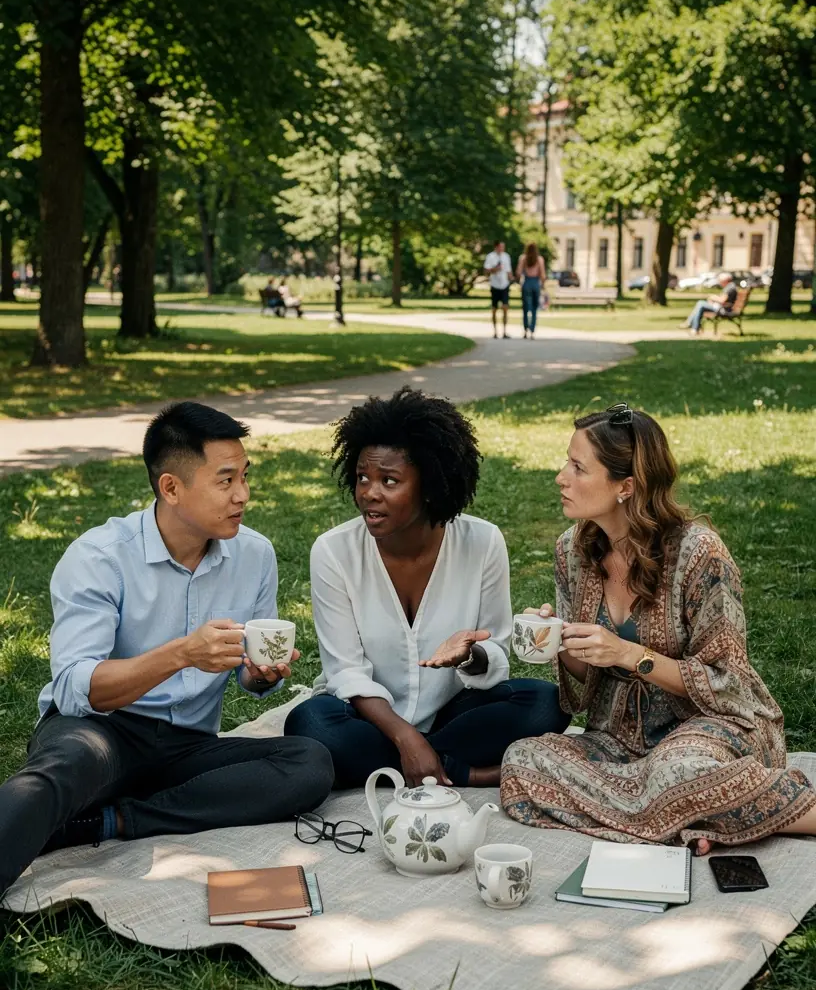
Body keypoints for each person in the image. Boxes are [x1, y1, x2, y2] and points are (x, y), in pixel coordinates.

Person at [0, 401, 334, 899]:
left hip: (188, 744)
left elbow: (250, 672)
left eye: (246, 476)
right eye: (225, 481)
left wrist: (261, 676)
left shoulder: (255, 554)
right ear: (171, 488)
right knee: (60, 770)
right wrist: (180, 655)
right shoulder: (99, 557)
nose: (243, 495)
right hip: (100, 731)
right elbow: (75, 690)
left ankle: (109, 821)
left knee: (309, 763)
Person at [500, 403, 815, 852]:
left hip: (710, 728)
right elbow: (585, 680)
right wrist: (559, 642)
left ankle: (723, 806)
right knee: (523, 763)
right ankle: (688, 817)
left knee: (678, 773)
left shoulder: (699, 555)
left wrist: (631, 655)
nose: (560, 477)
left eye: (576, 467)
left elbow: (728, 682)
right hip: (620, 742)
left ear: (625, 486)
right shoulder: (572, 551)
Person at [284, 386, 569, 788]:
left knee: (543, 704)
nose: (369, 492)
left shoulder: (483, 542)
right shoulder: (333, 552)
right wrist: (406, 737)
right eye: (363, 477)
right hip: (367, 719)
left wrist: (470, 656)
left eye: (390, 480)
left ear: (431, 483)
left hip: (454, 710)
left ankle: (410, 766)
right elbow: (345, 671)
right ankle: (456, 770)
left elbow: (495, 649)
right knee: (310, 723)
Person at [516, 241, 547, 340]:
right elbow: (542, 275)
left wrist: (519, 281)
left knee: (525, 308)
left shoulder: (523, 258)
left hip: (527, 282)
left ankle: (525, 330)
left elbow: (518, 272)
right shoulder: (539, 259)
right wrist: (543, 285)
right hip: (535, 283)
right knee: (534, 308)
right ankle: (532, 330)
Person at [484, 239, 513, 339]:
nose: (502, 249)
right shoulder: (490, 257)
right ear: (496, 247)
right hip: (495, 285)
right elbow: (486, 271)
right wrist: (495, 269)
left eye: (503, 247)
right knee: (494, 309)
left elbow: (509, 271)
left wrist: (512, 279)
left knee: (505, 307)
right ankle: (495, 332)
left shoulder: (506, 256)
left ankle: (504, 331)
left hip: (504, 285)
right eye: (500, 247)